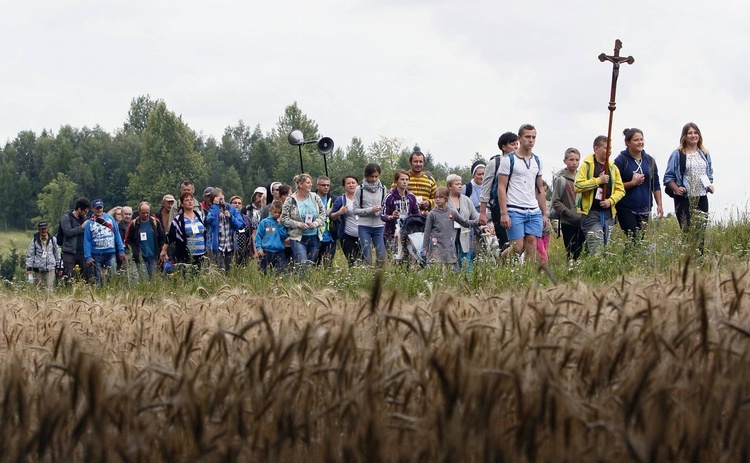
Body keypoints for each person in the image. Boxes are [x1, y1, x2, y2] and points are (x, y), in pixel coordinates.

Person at [496, 124, 548, 271]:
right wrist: (504, 213)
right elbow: (501, 187)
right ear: (520, 138)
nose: (531, 140)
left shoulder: (537, 161)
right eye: (527, 137)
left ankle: (528, 277)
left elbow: (539, 188)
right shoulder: (509, 160)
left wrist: (544, 213)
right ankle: (502, 263)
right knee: (517, 247)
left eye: (533, 137)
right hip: (514, 208)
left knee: (532, 245)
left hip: (533, 209)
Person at [663, 122, 714, 254]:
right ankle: (687, 262)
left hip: (701, 196)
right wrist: (676, 188)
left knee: (700, 232)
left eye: (695, 132)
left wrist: (709, 185)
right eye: (690, 133)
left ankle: (699, 262)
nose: (693, 135)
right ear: (684, 136)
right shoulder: (678, 154)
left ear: (699, 135)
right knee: (687, 232)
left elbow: (709, 174)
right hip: (684, 198)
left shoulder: (704, 153)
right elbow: (668, 177)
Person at [575, 136, 626, 254]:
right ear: (596, 148)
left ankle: (601, 270)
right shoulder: (586, 166)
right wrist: (598, 180)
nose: (609, 151)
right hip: (591, 213)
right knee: (596, 248)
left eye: (610, 148)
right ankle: (595, 269)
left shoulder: (613, 168)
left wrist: (611, 201)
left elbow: (620, 189)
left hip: (608, 213)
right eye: (606, 148)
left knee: (605, 248)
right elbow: (578, 186)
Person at [614, 128, 664, 241]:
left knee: (639, 241)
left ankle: (632, 259)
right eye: (636, 140)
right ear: (628, 142)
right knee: (633, 239)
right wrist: (632, 183)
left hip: (644, 207)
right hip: (625, 207)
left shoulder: (650, 160)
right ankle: (628, 259)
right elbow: (613, 186)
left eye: (642, 139)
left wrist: (659, 204)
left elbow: (655, 184)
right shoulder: (621, 160)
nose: (640, 142)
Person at [479, 131, 519, 249]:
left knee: (519, 242)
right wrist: (482, 212)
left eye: (517, 144)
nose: (516, 147)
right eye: (512, 144)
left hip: (517, 205)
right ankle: (505, 265)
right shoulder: (495, 163)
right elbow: (486, 188)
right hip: (498, 207)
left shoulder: (520, 162)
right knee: (505, 242)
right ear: (503, 146)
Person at [424, 187, 479, 268]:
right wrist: (425, 248)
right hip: (436, 247)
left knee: (450, 270)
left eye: (440, 197)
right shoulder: (432, 214)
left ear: (447, 198)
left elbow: (465, 223)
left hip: (449, 248)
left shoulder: (452, 212)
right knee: (437, 269)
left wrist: (478, 222)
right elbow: (427, 232)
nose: (438, 199)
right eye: (436, 197)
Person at [281, 173, 326, 269]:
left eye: (311, 183)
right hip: (298, 238)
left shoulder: (315, 197)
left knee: (310, 265)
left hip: (314, 236)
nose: (311, 185)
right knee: (303, 264)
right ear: (300, 185)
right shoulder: (290, 200)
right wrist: (299, 224)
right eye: (308, 183)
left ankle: (306, 283)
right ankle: (301, 282)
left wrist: (316, 223)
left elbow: (323, 213)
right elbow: (284, 218)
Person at [84, 199, 126, 286]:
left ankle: (112, 292)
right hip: (96, 254)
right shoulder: (90, 223)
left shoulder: (110, 219)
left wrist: (121, 250)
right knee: (98, 278)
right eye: (97, 208)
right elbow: (87, 240)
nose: (99, 210)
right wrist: (88, 256)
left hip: (110, 252)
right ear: (93, 209)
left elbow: (117, 234)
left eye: (100, 208)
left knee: (113, 276)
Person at [552, 148, 584, 260]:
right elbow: (556, 202)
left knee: (584, 251)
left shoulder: (583, 178)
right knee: (572, 250)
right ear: (565, 161)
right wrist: (570, 214)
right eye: (571, 159)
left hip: (583, 219)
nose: (574, 163)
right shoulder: (561, 180)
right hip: (568, 221)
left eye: (577, 160)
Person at [162, 191, 207, 269]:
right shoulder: (178, 220)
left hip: (202, 254)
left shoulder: (200, 216)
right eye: (187, 200)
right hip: (187, 255)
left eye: (191, 199)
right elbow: (170, 236)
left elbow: (206, 232)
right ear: (182, 204)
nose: (190, 202)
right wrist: (164, 250)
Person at [354, 163, 387, 266]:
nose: (373, 179)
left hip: (379, 225)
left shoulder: (383, 189)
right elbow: (355, 210)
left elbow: (385, 207)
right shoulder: (360, 189)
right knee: (367, 255)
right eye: (371, 176)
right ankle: (367, 276)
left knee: (381, 255)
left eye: (376, 176)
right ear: (366, 176)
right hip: (364, 225)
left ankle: (378, 276)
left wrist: (380, 211)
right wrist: (370, 210)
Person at [205, 188, 245, 272]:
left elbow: (241, 225)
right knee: (219, 271)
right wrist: (215, 206)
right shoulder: (212, 210)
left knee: (230, 271)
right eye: (218, 198)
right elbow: (209, 220)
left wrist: (231, 217)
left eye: (221, 197)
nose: (221, 200)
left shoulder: (231, 209)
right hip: (218, 247)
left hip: (230, 246)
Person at [125, 201, 166, 280]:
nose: (145, 215)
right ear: (139, 212)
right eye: (143, 213)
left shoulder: (155, 222)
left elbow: (162, 238)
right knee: (144, 279)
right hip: (141, 257)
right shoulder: (134, 224)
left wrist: (162, 250)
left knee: (154, 279)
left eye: (147, 212)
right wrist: (134, 250)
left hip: (154, 256)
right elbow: (128, 240)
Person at [381, 170, 420, 253]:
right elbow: (382, 215)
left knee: (407, 259)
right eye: (402, 179)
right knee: (393, 258)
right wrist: (391, 216)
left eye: (407, 179)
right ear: (396, 181)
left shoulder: (411, 197)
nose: (405, 182)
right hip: (391, 232)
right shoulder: (389, 197)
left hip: (407, 232)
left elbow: (417, 214)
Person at [446, 174, 479, 270]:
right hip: (449, 235)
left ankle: (467, 282)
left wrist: (483, 226)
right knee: (450, 262)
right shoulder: (444, 200)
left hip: (464, 235)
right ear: (449, 186)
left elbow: (475, 216)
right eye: (457, 184)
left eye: (461, 183)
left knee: (466, 260)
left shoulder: (467, 200)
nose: (460, 186)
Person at [331, 175, 362, 267]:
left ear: (357, 185)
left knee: (364, 261)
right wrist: (339, 212)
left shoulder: (363, 199)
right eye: (348, 183)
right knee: (352, 261)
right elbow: (332, 216)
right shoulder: (341, 200)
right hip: (347, 235)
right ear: (344, 186)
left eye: (353, 183)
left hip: (363, 234)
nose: (351, 185)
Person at [60, 197, 91, 282]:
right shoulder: (66, 218)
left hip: (82, 252)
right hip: (69, 252)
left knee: (83, 277)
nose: (85, 214)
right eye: (85, 211)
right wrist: (81, 227)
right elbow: (67, 232)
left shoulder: (84, 219)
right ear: (79, 209)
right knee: (68, 276)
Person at [25, 222, 62, 293]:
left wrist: (59, 267)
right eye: (42, 229)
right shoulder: (35, 240)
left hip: (50, 268)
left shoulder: (52, 239)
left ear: (47, 229)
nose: (44, 231)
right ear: (39, 230)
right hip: (38, 269)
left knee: (49, 289)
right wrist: (29, 268)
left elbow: (57, 253)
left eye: (45, 229)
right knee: (37, 289)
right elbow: (30, 254)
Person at [254, 200, 289, 274]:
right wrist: (259, 248)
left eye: (279, 213)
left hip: (279, 251)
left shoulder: (282, 223)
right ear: (270, 210)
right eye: (275, 212)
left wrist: (280, 225)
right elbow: (258, 236)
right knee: (263, 272)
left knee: (281, 272)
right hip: (266, 251)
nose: (277, 214)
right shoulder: (264, 222)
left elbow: (284, 236)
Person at [315, 175, 338, 266]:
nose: (326, 187)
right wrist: (326, 212)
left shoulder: (334, 199)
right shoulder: (311, 198)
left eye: (328, 185)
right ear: (317, 186)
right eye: (323, 185)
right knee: (314, 264)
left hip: (330, 236)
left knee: (328, 264)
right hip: (315, 235)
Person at [229, 195, 253, 266]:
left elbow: (250, 233)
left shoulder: (246, 218)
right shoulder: (228, 217)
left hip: (245, 250)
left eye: (239, 203)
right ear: (230, 204)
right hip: (232, 248)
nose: (237, 205)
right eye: (235, 203)